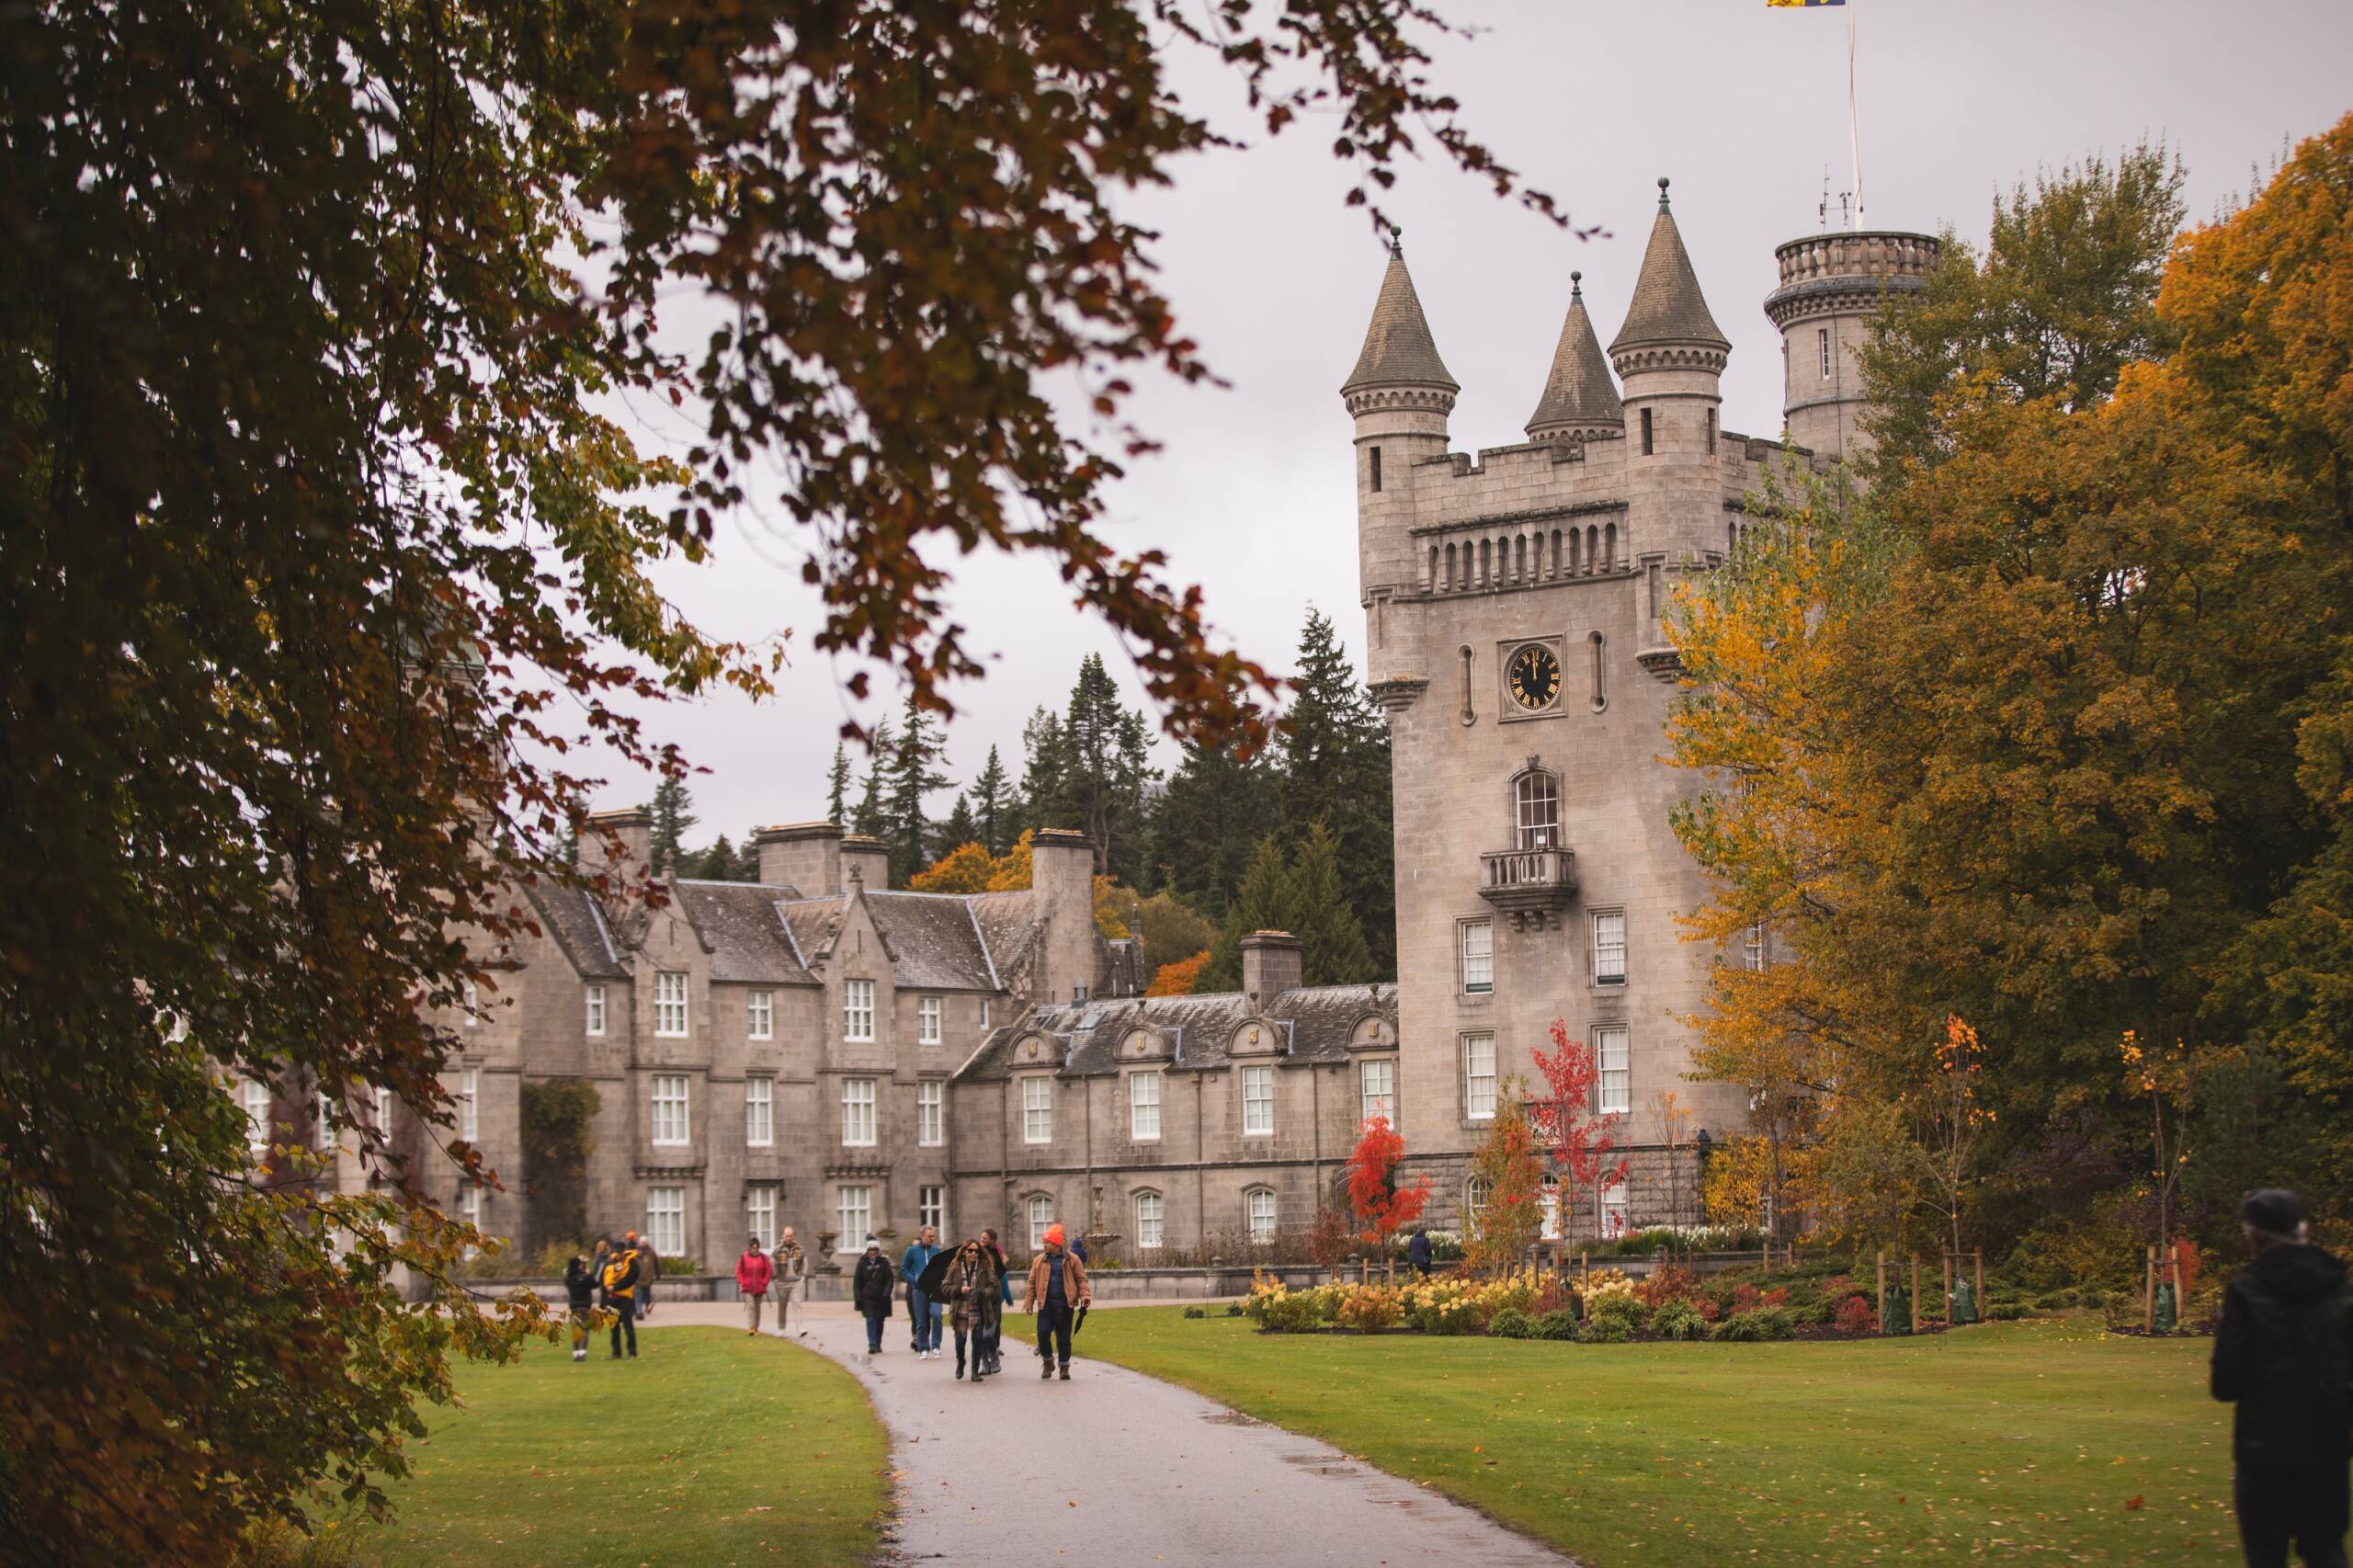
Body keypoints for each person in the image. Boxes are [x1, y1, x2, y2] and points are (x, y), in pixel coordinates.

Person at [2211, 1188, 2353, 1568]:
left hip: (2264, 1447)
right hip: (2328, 1443)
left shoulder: (2246, 1292)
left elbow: (2225, 1384)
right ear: (2302, 1229)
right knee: (2326, 1552)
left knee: (2265, 1556)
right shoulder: (2339, 1289)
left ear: (2253, 1235)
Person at [1023, 1222, 1090, 1381]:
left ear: (1056, 1244)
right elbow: (1032, 1282)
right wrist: (1028, 1302)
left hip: (1065, 1305)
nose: (1044, 1245)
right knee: (1043, 1334)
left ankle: (1064, 1367)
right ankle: (1048, 1361)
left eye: (1046, 1242)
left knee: (1064, 1338)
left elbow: (1081, 1280)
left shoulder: (1072, 1260)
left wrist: (1085, 1296)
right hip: (1045, 1305)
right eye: (1044, 1242)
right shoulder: (1038, 1261)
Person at [943, 1237, 1001, 1383]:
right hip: (960, 1309)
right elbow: (945, 1287)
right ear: (964, 1252)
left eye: (976, 1251)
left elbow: (994, 1288)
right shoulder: (955, 1268)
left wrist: (982, 1293)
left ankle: (975, 1371)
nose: (973, 1253)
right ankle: (961, 1362)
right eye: (970, 1250)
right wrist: (959, 1290)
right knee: (960, 1342)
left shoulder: (985, 1267)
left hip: (978, 1308)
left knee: (978, 1341)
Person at [902, 1224, 944, 1359]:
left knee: (937, 1315)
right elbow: (904, 1269)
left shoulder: (937, 1251)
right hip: (919, 1290)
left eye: (933, 1236)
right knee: (921, 1319)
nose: (932, 1239)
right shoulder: (912, 1251)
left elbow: (943, 1268)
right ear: (922, 1236)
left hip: (934, 1289)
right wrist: (914, 1279)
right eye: (929, 1236)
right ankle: (923, 1348)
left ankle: (936, 1346)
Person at [853, 1234, 895, 1358]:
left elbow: (889, 1279)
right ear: (867, 1251)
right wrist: (858, 1298)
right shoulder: (862, 1263)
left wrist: (886, 1293)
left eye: (875, 1251)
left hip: (882, 1297)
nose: (873, 1253)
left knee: (880, 1320)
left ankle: (878, 1342)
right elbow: (857, 1282)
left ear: (878, 1251)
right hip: (867, 1298)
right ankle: (871, 1343)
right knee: (870, 1319)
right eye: (871, 1250)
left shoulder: (884, 1262)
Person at [600, 1237, 642, 1359]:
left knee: (628, 1326)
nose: (618, 1254)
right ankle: (616, 1352)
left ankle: (632, 1352)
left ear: (624, 1251)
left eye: (620, 1251)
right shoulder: (610, 1262)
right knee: (614, 1327)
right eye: (617, 1251)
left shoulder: (631, 1262)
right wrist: (604, 1300)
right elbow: (603, 1280)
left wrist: (616, 1287)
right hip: (612, 1299)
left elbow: (631, 1278)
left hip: (625, 1299)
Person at [981, 1228, 1012, 1375]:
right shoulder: (975, 1253)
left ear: (992, 1240)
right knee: (978, 1335)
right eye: (981, 1238)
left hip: (993, 1299)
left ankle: (993, 1357)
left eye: (985, 1238)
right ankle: (984, 1364)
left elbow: (1002, 1277)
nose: (982, 1240)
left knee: (988, 1334)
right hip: (978, 1300)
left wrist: (1007, 1296)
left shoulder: (995, 1255)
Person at [770, 1227, 809, 1338]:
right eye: (787, 1236)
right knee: (782, 1306)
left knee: (797, 1304)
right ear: (783, 1236)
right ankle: (781, 1329)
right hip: (782, 1283)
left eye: (791, 1236)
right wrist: (775, 1279)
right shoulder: (777, 1250)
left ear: (793, 1237)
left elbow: (805, 1263)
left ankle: (800, 1328)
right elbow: (772, 1264)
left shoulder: (800, 1249)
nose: (789, 1238)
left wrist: (803, 1276)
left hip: (796, 1282)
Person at [736, 1234, 774, 1337]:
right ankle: (751, 1327)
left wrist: (764, 1282)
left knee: (757, 1308)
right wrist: (742, 1282)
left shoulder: (763, 1258)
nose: (754, 1249)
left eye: (756, 1247)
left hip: (760, 1287)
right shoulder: (743, 1258)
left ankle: (756, 1328)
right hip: (747, 1287)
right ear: (749, 1247)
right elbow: (739, 1271)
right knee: (751, 1306)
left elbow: (769, 1271)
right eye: (753, 1247)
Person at [563, 1254, 597, 1363]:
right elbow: (595, 1284)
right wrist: (589, 1273)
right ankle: (582, 1353)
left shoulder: (568, 1278)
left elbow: (567, 1276)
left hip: (573, 1306)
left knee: (575, 1330)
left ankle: (575, 1353)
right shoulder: (585, 1277)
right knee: (585, 1330)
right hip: (584, 1306)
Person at [628, 1228, 662, 1320]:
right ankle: (647, 1306)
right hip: (648, 1278)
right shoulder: (651, 1252)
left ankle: (640, 1311)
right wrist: (657, 1275)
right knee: (646, 1294)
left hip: (638, 1280)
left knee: (638, 1296)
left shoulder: (635, 1255)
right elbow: (656, 1264)